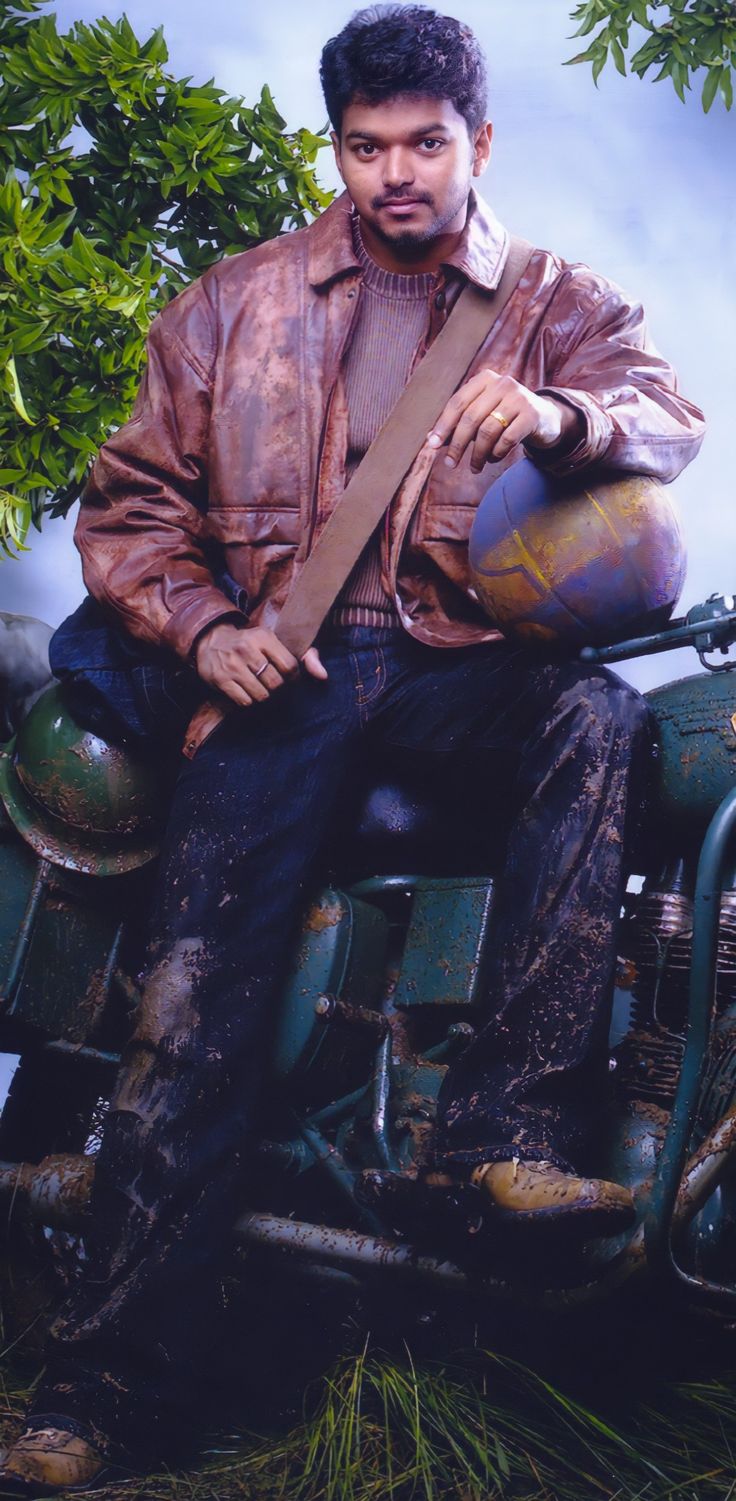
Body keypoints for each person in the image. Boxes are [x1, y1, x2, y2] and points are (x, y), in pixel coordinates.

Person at [0, 4, 705, 1493]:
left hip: (459, 665)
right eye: (366, 146)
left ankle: (494, 1141)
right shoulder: (233, 306)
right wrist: (206, 634)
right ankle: (98, 1388)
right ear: (339, 149)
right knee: (193, 1011)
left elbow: (668, 413)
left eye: (425, 145)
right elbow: (127, 513)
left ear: (479, 143)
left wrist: (567, 414)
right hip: (285, 677)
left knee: (601, 719)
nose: (395, 175)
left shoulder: (549, 299)